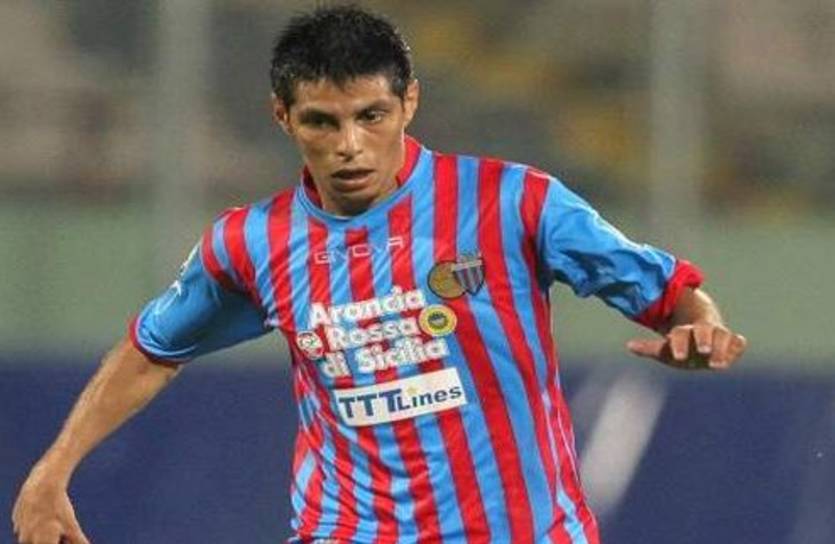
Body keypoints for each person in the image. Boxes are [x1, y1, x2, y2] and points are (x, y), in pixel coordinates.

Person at [12, 5, 747, 544]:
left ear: (409, 102)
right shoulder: (252, 243)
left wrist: (701, 329)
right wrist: (53, 471)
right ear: (282, 117)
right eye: (321, 122)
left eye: (371, 115)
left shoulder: (513, 202)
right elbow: (151, 350)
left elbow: (672, 297)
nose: (350, 146)